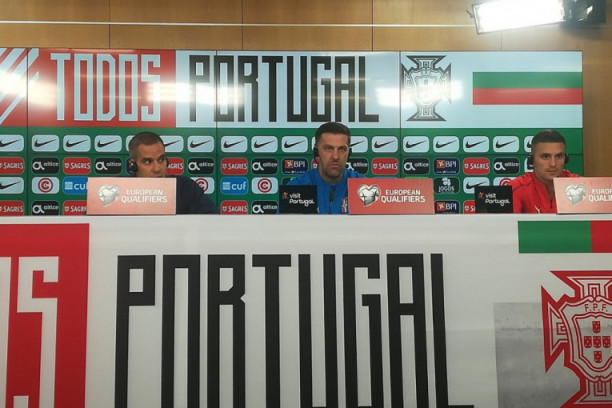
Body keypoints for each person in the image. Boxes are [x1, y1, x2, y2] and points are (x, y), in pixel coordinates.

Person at [127, 131, 218, 214]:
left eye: (161, 160)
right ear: (133, 165)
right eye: (148, 162)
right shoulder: (123, 191)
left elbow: (211, 219)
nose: (157, 169)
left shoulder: (186, 188)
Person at [288, 122, 364, 214]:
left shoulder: (362, 186)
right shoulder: (298, 187)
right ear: (317, 152)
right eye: (328, 148)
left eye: (341, 149)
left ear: (349, 153)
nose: (335, 156)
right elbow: (284, 223)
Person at [509, 129, 578, 213]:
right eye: (545, 157)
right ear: (532, 160)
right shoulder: (516, 188)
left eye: (559, 156)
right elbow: (505, 221)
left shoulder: (579, 185)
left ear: (565, 159)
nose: (553, 164)